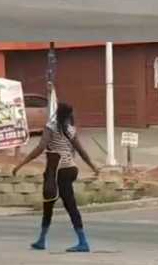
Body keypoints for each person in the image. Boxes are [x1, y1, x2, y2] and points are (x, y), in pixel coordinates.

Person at [12, 102, 100, 252]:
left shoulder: (51, 127)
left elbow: (40, 148)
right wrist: (93, 167)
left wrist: (21, 164)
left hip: (58, 170)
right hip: (70, 168)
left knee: (57, 204)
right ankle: (42, 240)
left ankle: (81, 242)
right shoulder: (70, 129)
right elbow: (81, 151)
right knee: (55, 202)